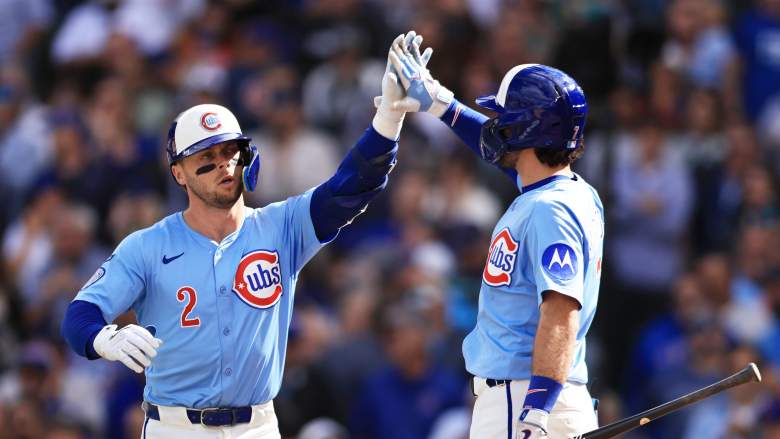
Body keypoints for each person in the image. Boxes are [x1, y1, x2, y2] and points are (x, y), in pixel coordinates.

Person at [59, 33, 418, 439]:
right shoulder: (147, 246)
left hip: (257, 426)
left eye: (230, 152)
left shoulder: (281, 226)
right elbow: (78, 316)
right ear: (179, 173)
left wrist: (388, 118)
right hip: (176, 427)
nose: (223, 166)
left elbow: (350, 187)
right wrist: (105, 338)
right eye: (206, 159)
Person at [384, 32, 603, 438]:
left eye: (505, 118)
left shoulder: (549, 209)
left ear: (527, 128)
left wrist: (536, 411)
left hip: (524, 399)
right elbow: (502, 157)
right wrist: (443, 105)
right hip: (530, 396)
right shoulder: (564, 193)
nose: (497, 125)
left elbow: (559, 313)